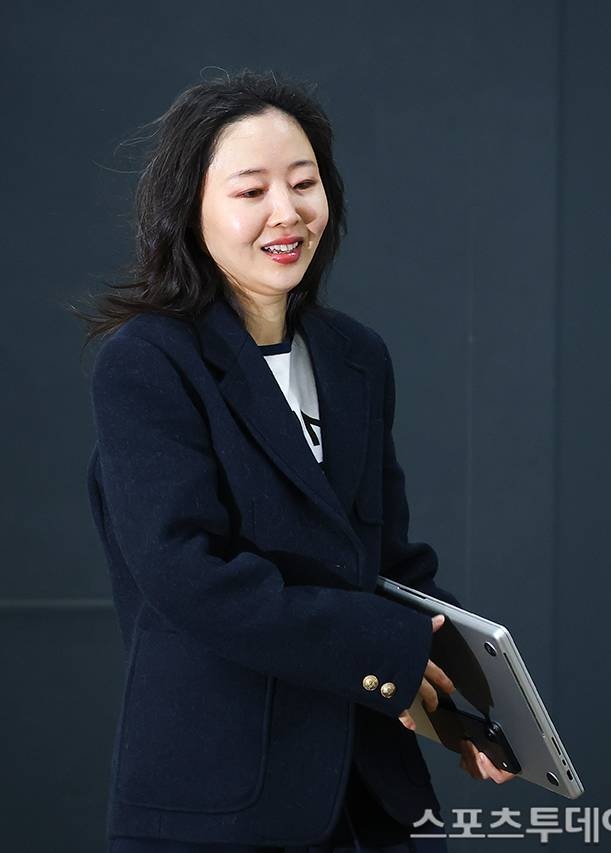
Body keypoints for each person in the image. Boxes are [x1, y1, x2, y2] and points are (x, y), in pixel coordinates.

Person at [73, 69, 513, 853]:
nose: (288, 211)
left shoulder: (356, 358)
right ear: (189, 208)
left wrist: (472, 706)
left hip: (372, 792)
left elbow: (389, 563)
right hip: (219, 798)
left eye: (304, 183)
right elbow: (189, 576)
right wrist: (388, 651)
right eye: (252, 191)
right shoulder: (147, 362)